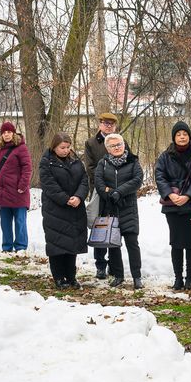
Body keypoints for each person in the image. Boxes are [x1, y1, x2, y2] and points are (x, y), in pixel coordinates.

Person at [154, 121, 191, 290]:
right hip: (172, 204)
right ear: (174, 137)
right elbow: (160, 176)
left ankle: (190, 277)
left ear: (189, 136)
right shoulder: (165, 156)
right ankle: (178, 277)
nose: (182, 137)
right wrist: (171, 194)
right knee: (176, 241)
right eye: (179, 134)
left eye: (185, 134)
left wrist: (188, 195)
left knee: (190, 241)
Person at [39, 133, 88, 288]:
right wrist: (65, 199)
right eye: (62, 147)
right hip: (55, 209)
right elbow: (49, 184)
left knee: (72, 245)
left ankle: (71, 277)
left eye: (68, 147)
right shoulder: (46, 162)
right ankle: (59, 277)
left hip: (75, 209)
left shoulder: (76, 161)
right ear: (54, 147)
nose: (66, 150)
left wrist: (79, 197)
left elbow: (84, 180)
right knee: (57, 245)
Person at [95, 133, 143, 289]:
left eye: (119, 144)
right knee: (113, 245)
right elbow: (99, 183)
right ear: (107, 148)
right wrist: (110, 194)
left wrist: (119, 192)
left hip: (129, 209)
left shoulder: (133, 161)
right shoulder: (102, 164)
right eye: (113, 146)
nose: (117, 148)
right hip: (110, 209)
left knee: (132, 244)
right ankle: (118, 275)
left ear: (124, 144)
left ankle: (137, 277)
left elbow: (137, 180)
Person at [0, 121, 32, 253]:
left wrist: (22, 185)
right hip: (3, 192)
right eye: (4, 132)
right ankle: (7, 247)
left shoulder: (21, 148)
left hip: (18, 192)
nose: (6, 135)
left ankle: (21, 247)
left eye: (9, 132)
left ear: (14, 133)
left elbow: (27, 168)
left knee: (20, 222)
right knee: (5, 222)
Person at [82, 112, 119, 279]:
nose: (108, 126)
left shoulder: (120, 141)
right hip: (98, 192)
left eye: (111, 124)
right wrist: (103, 184)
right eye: (105, 123)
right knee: (100, 227)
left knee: (115, 227)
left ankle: (114, 263)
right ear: (100, 124)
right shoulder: (91, 143)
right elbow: (90, 168)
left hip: (117, 193)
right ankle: (100, 265)